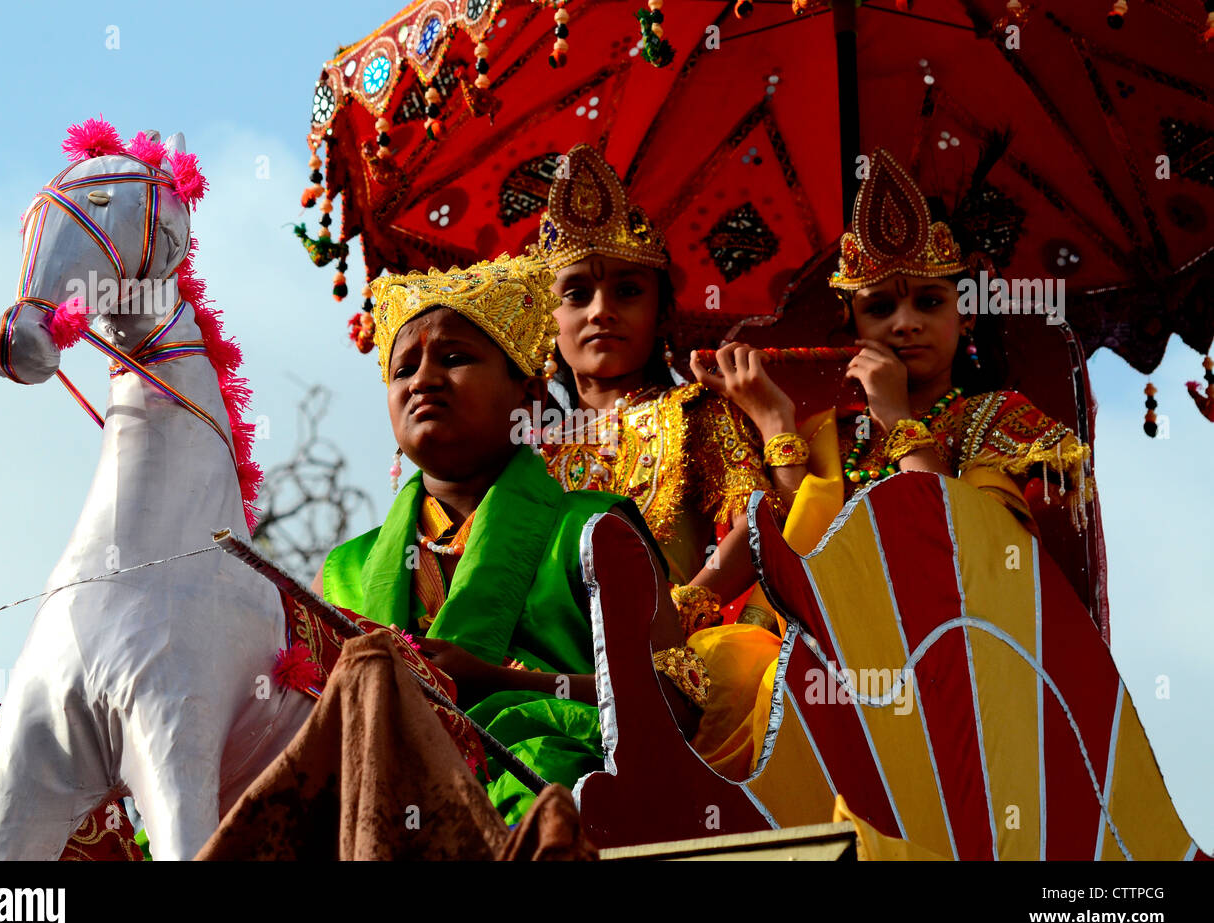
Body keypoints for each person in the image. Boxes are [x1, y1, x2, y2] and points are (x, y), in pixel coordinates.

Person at [688, 148, 1095, 780]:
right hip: (819, 649)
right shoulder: (833, 434)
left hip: (952, 656)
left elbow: (967, 553)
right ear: (850, 323)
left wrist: (900, 420)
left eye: (928, 303)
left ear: (968, 311)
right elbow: (800, 546)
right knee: (715, 669)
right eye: (880, 308)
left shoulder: (1000, 419)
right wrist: (772, 419)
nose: (905, 324)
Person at [311, 252, 703, 823]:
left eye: (454, 358)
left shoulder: (595, 529)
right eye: (403, 370)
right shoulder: (345, 568)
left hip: (561, 806)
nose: (423, 379)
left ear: (527, 397)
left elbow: (675, 701)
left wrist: (491, 680)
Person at [535, 143, 794, 634]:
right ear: (547, 321)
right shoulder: (525, 449)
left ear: (662, 315)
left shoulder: (695, 412)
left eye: (628, 291)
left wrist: (683, 611)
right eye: (576, 295)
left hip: (671, 670)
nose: (600, 311)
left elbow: (760, 522)